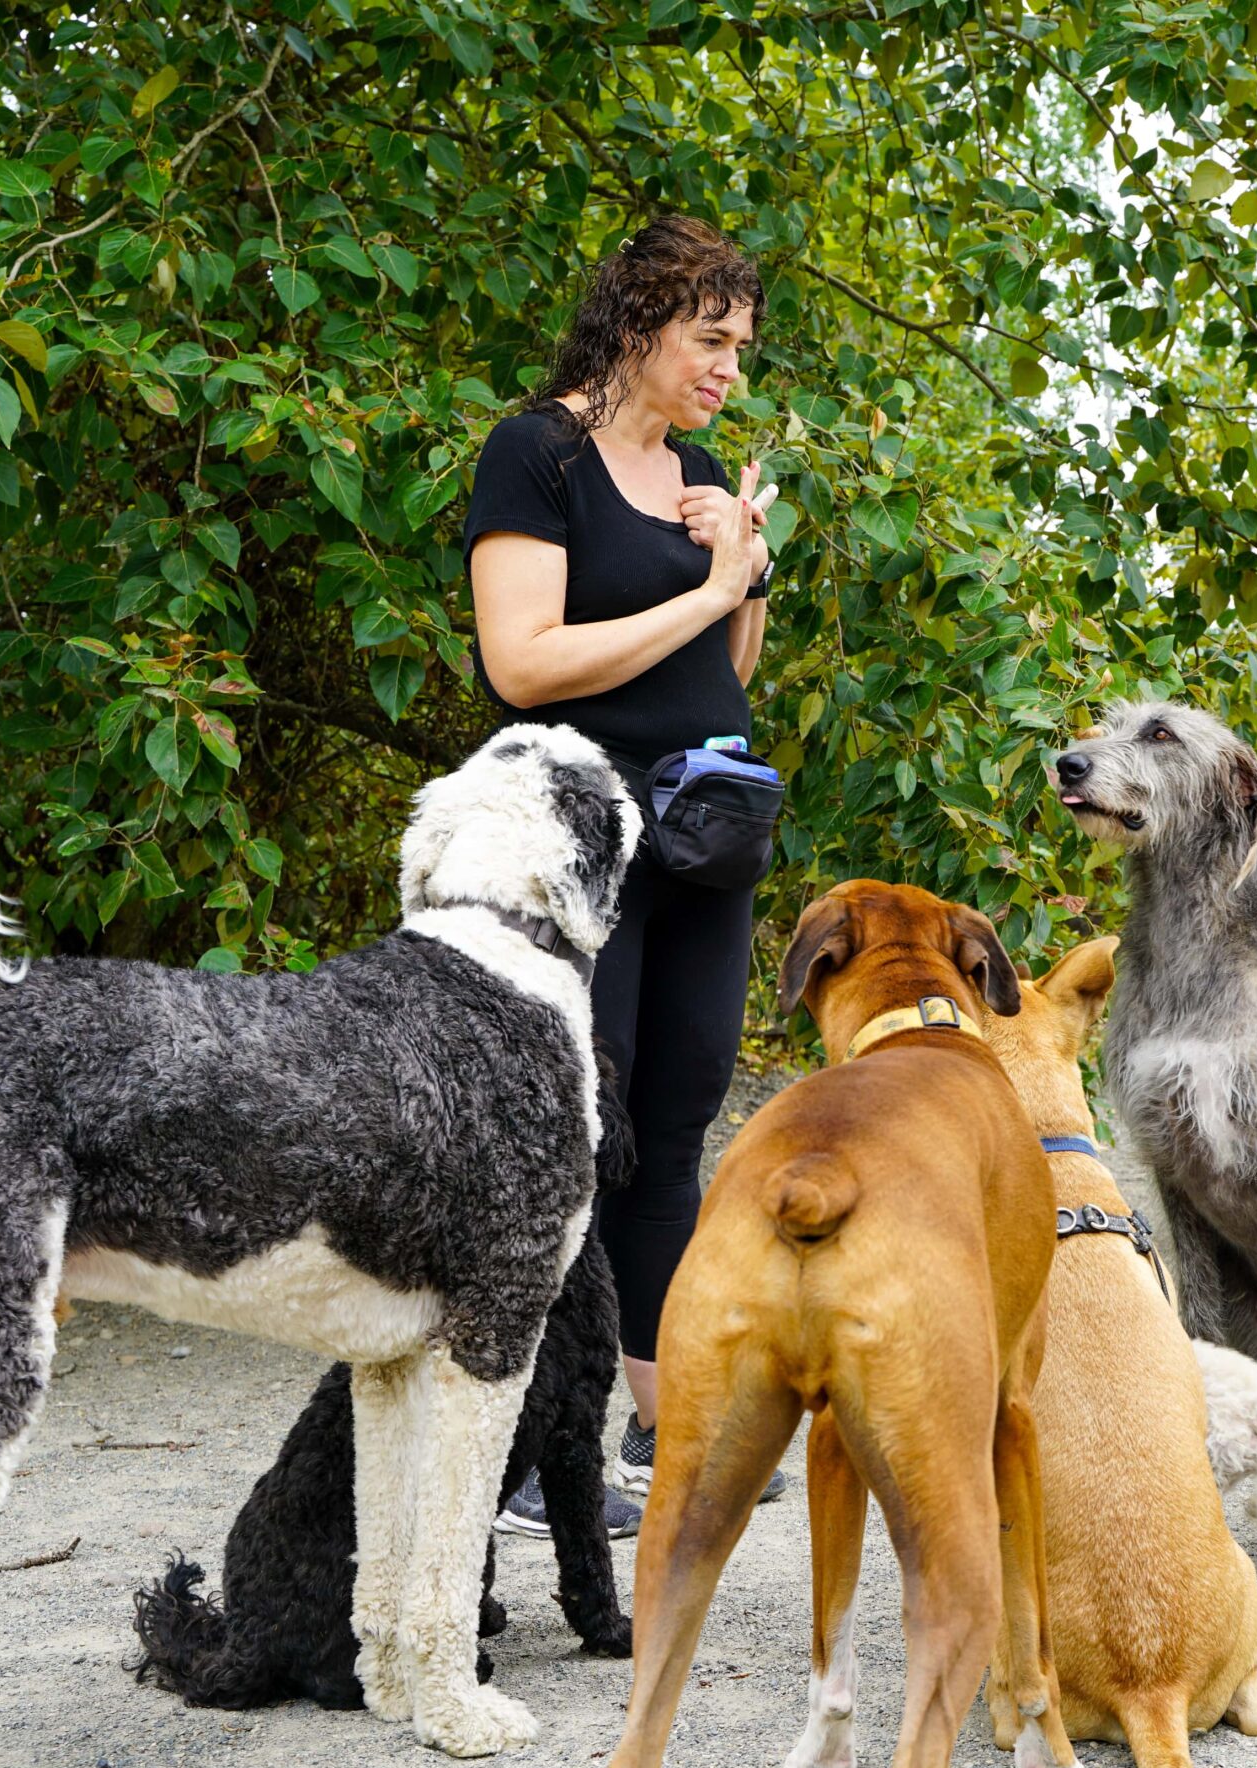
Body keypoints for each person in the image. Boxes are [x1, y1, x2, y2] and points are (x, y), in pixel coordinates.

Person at [463, 217, 783, 1533]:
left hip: (706, 834)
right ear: (638, 322)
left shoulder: (697, 468)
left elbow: (726, 671)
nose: (727, 371)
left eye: (740, 348)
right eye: (709, 340)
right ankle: (533, 1453)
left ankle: (666, 1421)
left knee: (679, 1117)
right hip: (576, 835)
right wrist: (704, 595)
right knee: (576, 1132)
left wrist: (742, 570)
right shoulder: (536, 454)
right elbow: (522, 664)